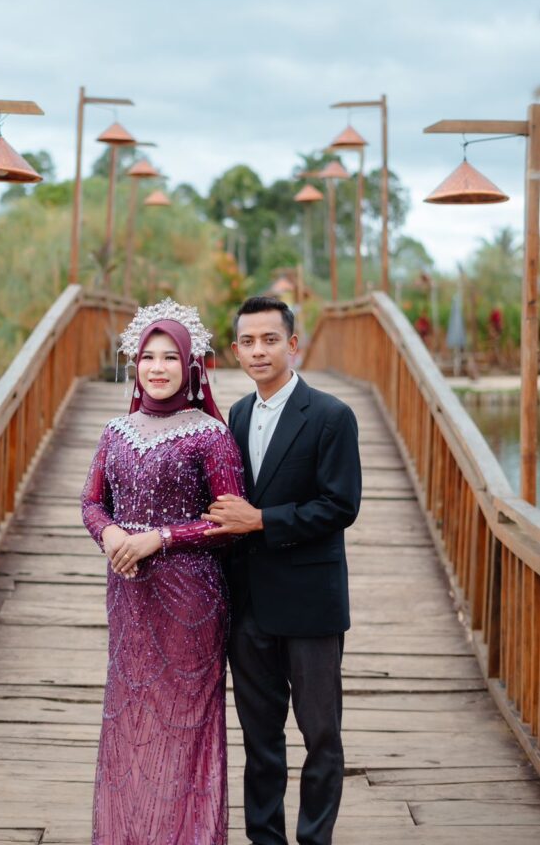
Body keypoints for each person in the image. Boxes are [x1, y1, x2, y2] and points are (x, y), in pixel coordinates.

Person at [80, 299, 245, 845]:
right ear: (135, 363)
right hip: (128, 592)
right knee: (130, 711)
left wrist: (162, 537)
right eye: (148, 357)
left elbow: (229, 522)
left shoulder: (211, 435)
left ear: (191, 364)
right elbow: (91, 502)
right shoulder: (115, 431)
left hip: (190, 595)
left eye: (170, 357)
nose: (157, 368)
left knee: (185, 717)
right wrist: (110, 535)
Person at [203, 296, 362, 845]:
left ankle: (315, 838)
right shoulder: (237, 415)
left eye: (270, 340)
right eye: (247, 342)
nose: (259, 351)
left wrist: (261, 520)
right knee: (261, 741)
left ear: (292, 345)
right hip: (250, 607)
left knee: (322, 737)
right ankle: (264, 838)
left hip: (311, 605)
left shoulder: (331, 416)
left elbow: (340, 506)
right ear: (235, 351)